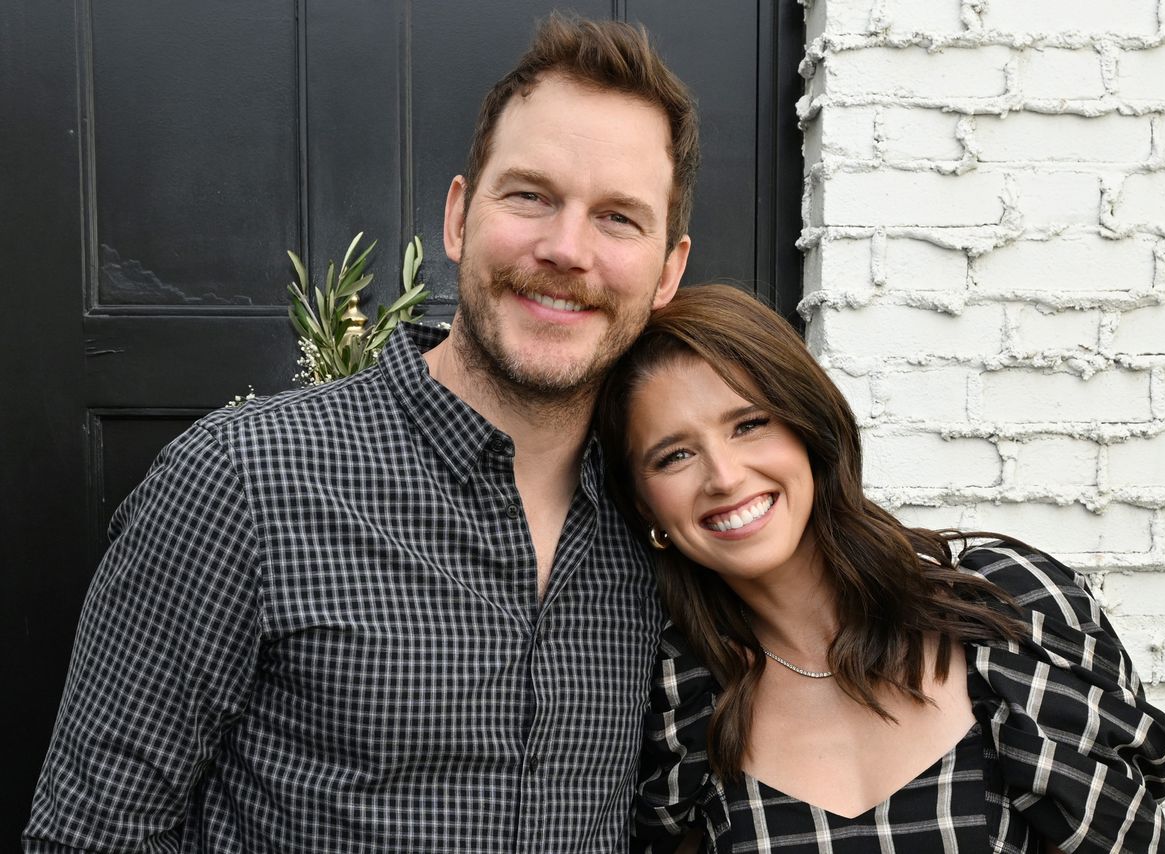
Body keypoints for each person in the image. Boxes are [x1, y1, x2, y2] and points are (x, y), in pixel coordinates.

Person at [25, 16, 695, 853]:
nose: (565, 247)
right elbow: (92, 836)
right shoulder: (241, 482)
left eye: (619, 219)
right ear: (458, 218)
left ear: (668, 271)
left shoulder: (662, 524)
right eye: (530, 195)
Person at [595, 284, 1165, 853]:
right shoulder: (678, 701)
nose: (723, 476)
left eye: (749, 424)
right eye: (675, 455)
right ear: (645, 506)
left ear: (808, 428)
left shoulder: (1007, 612)